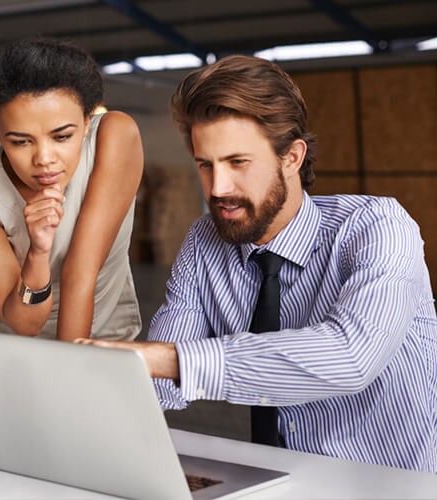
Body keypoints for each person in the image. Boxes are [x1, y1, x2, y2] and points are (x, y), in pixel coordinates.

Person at [78, 55, 437, 473]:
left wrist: (171, 361)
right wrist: (87, 393)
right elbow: (161, 381)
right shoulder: (204, 240)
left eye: (238, 162)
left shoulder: (378, 226)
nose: (218, 188)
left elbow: (352, 357)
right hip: (280, 478)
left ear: (293, 157)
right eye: (205, 165)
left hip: (394, 482)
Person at [0, 38, 143, 341]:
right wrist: (38, 254)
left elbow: (80, 272)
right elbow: (26, 325)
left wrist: (65, 373)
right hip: (15, 351)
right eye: (20, 141)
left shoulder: (114, 135)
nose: (44, 159)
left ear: (87, 121)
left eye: (62, 137)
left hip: (101, 344)